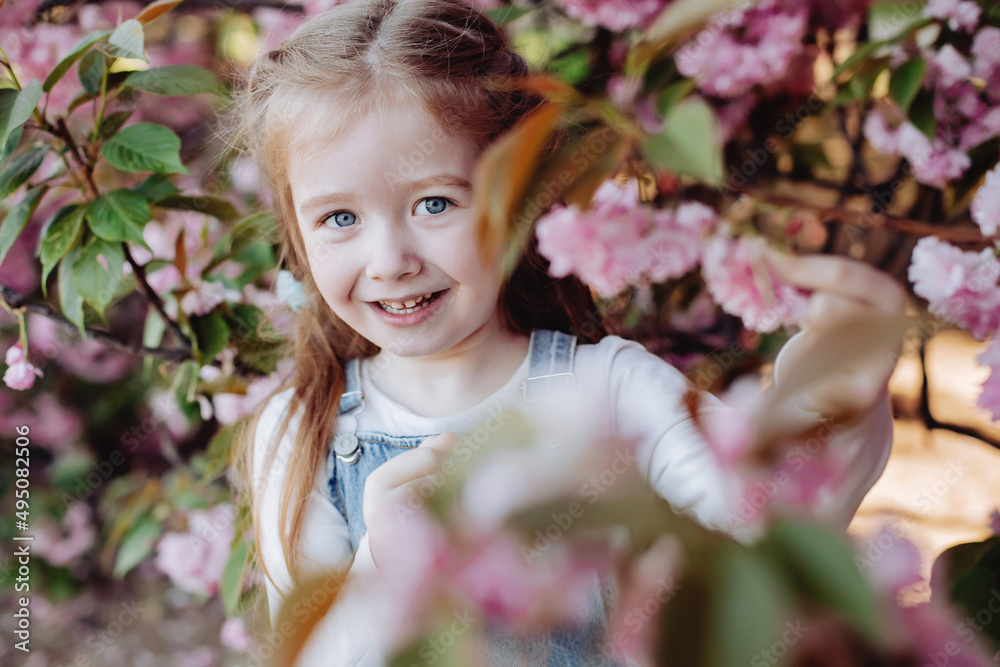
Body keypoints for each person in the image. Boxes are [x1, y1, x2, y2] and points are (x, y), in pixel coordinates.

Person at [227, 0, 906, 663]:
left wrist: (823, 402)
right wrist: (385, 563)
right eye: (339, 218)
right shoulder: (301, 434)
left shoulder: (611, 387)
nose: (390, 261)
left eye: (434, 202)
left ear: (518, 194)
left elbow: (753, 530)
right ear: (297, 231)